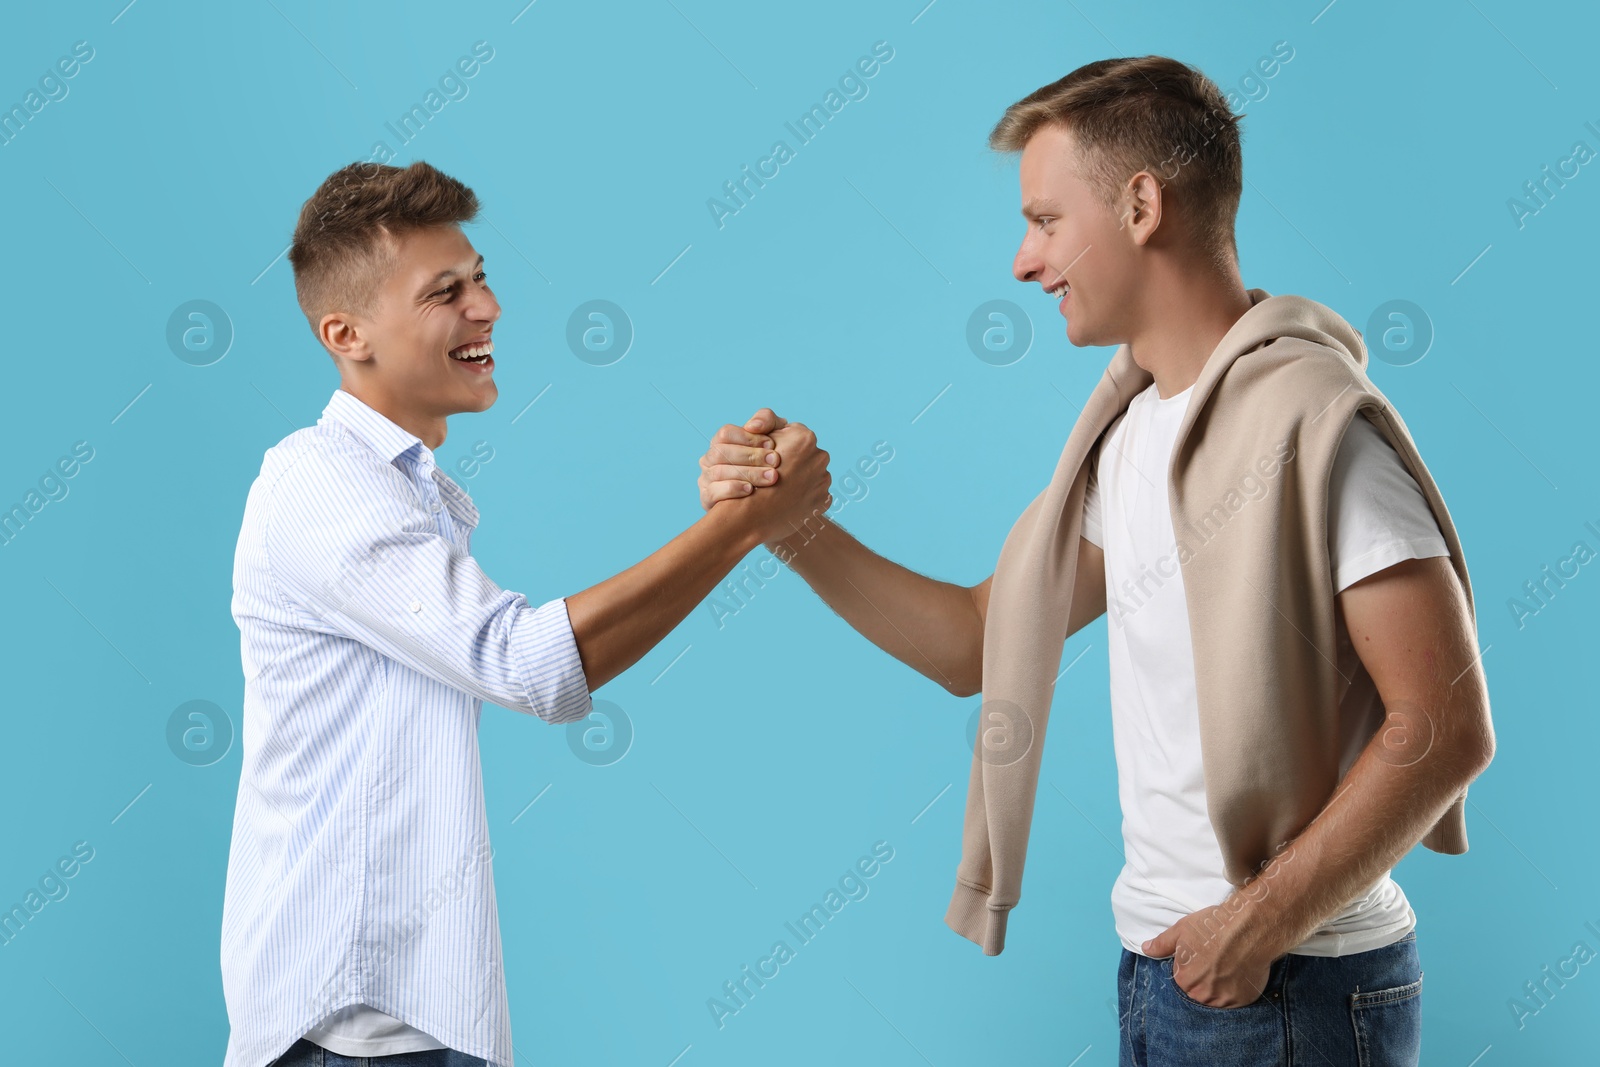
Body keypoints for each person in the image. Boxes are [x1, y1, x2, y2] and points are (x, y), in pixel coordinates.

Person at [697, 56, 1494, 1067]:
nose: (1024, 263)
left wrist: (1252, 923)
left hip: (1290, 980)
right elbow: (979, 642)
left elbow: (1444, 722)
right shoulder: (1127, 437)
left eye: (1043, 219)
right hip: (1168, 969)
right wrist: (788, 529)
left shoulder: (1316, 427)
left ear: (1140, 204)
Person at [220, 160, 831, 1067]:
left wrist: (745, 526)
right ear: (346, 333)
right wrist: (743, 526)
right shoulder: (320, 483)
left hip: (400, 1033)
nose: (488, 307)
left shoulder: (398, 491)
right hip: (353, 1040)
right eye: (445, 292)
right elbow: (527, 664)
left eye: (480, 277)